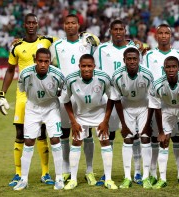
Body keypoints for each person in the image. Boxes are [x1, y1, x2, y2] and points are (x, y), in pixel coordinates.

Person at [0, 13, 57, 187]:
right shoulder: (17, 46)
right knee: (20, 133)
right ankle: (17, 174)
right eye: (28, 23)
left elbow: (65, 42)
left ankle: (45, 173)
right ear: (24, 25)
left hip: (42, 94)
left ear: (38, 24)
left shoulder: (47, 41)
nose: (31, 25)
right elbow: (10, 70)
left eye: (34, 22)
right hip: (23, 95)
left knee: (41, 134)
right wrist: (2, 94)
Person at [49, 14, 100, 184]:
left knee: (87, 133)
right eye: (67, 23)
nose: (70, 26)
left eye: (73, 23)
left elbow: (98, 55)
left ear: (79, 25)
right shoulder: (57, 46)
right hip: (65, 94)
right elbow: (53, 67)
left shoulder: (88, 43)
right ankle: (66, 170)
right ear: (63, 26)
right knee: (64, 132)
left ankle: (89, 170)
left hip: (85, 93)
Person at [93, 19, 144, 185]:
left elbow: (139, 71)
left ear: (125, 30)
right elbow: (96, 73)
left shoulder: (134, 49)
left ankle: (137, 172)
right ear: (110, 31)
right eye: (115, 29)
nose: (118, 32)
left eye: (121, 29)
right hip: (108, 99)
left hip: (129, 99)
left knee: (133, 135)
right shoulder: (101, 49)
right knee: (109, 134)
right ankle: (107, 173)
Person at [61, 54, 118, 190]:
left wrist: (105, 120)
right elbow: (66, 100)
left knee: (105, 142)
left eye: (89, 66)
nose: (86, 69)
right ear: (79, 66)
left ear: (94, 66)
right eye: (84, 66)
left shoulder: (103, 77)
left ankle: (108, 179)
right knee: (76, 142)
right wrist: (73, 122)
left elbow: (112, 98)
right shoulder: (70, 79)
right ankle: (73, 179)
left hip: (99, 114)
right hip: (80, 114)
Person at [13, 48, 65, 190]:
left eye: (46, 61)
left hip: (51, 108)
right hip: (33, 108)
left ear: (50, 62)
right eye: (40, 61)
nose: (43, 64)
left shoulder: (57, 74)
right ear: (36, 60)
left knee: (55, 139)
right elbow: (22, 89)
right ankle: (23, 179)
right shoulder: (25, 73)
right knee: (29, 141)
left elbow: (64, 88)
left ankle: (59, 178)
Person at [143, 24, 179, 186]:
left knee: (177, 138)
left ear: (171, 36)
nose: (163, 36)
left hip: (176, 104)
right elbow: (147, 80)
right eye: (160, 33)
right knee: (157, 139)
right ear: (156, 36)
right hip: (156, 103)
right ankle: (154, 173)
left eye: (166, 33)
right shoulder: (149, 56)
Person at [148, 56, 179, 189]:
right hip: (167, 111)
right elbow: (156, 109)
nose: (171, 69)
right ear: (164, 68)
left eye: (174, 67)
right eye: (168, 67)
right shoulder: (157, 84)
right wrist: (161, 132)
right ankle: (162, 178)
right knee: (164, 142)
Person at [111, 47, 153, 189]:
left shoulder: (147, 74)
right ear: (124, 60)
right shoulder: (117, 76)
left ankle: (146, 176)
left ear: (139, 60)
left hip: (144, 106)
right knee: (128, 139)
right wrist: (123, 124)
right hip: (126, 107)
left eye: (135, 58)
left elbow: (153, 100)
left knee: (145, 137)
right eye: (129, 59)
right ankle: (127, 177)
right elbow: (116, 100)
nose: (132, 61)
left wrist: (148, 123)